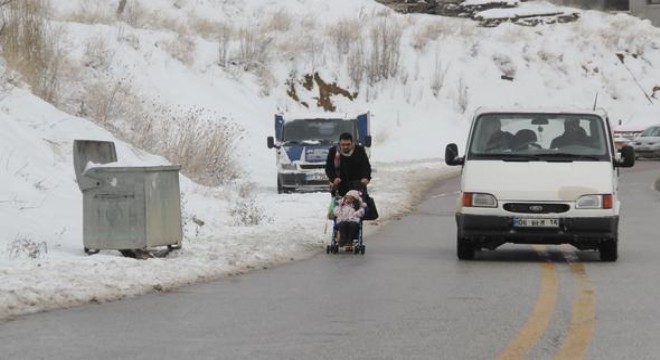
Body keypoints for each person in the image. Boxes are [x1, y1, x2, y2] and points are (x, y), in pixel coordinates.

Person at [325, 132, 372, 197]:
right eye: (343, 144)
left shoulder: (359, 150)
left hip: (357, 185)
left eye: (348, 144)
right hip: (340, 185)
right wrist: (334, 178)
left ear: (352, 143)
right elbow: (329, 168)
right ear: (339, 144)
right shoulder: (333, 151)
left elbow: (366, 166)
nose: (345, 147)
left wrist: (366, 177)